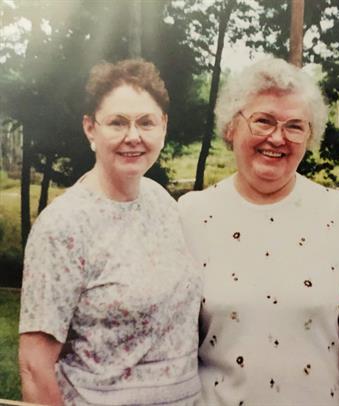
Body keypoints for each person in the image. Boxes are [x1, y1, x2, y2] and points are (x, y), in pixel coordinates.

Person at [178, 58, 339, 406]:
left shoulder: (338, 212)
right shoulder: (191, 214)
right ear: (232, 128)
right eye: (263, 121)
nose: (277, 138)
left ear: (310, 137)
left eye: (295, 126)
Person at [18, 59, 202, 405]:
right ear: (90, 128)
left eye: (146, 122)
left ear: (163, 126)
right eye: (117, 123)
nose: (133, 136)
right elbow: (34, 367)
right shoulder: (63, 225)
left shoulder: (162, 201)